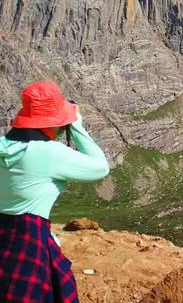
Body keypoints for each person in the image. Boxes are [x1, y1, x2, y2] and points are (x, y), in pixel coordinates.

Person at [0, 81, 110, 302]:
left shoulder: (3, 144)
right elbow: (100, 167)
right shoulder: (48, 153)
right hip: (30, 242)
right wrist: (77, 125)